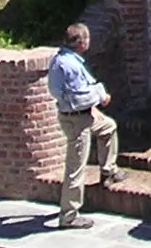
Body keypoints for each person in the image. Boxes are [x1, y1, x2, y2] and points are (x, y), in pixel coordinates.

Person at [45, 22, 123, 229]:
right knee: (75, 168)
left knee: (108, 127)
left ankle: (109, 171)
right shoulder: (68, 65)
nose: (89, 42)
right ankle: (69, 215)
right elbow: (79, 95)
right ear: (81, 42)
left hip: (82, 114)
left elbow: (74, 89)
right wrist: (100, 97)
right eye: (87, 39)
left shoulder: (65, 59)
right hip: (77, 120)